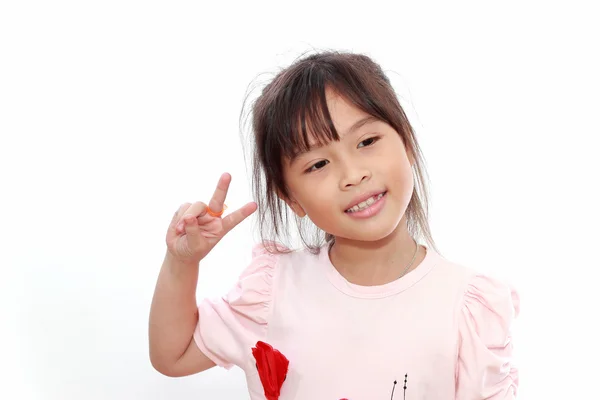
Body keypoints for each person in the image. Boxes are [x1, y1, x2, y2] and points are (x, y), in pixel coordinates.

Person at [149, 51, 519, 399]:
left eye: (367, 141)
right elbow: (174, 355)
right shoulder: (274, 288)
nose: (353, 174)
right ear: (290, 197)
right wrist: (183, 262)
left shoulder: (467, 306)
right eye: (318, 164)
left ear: (406, 141)